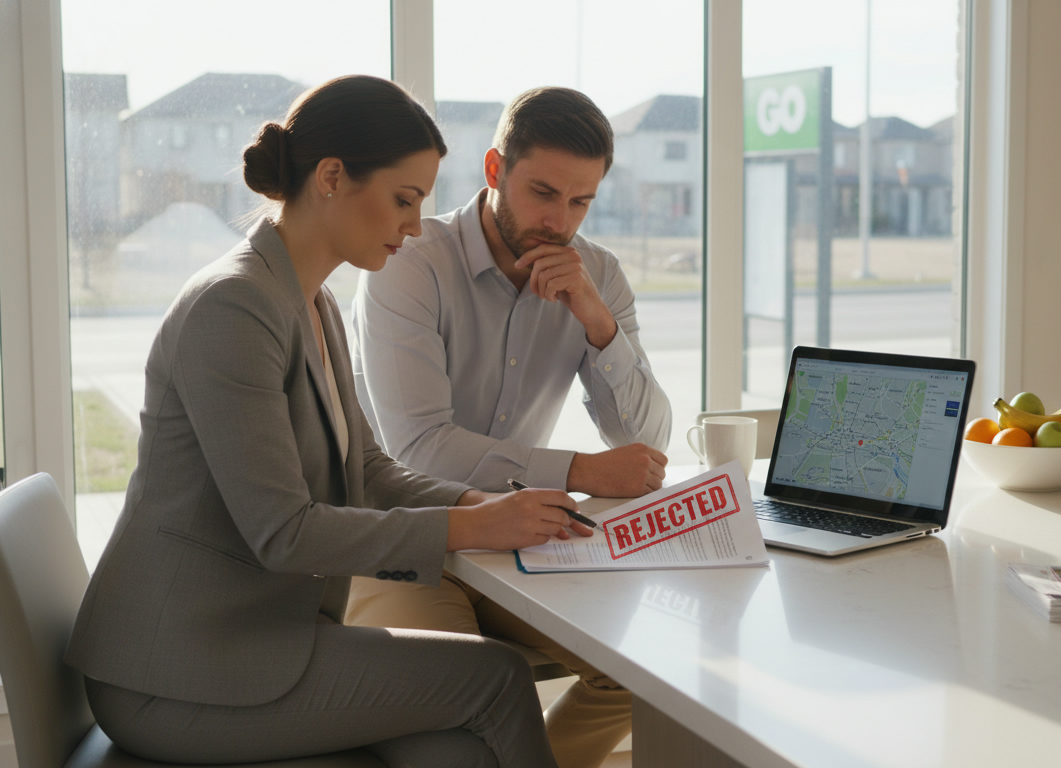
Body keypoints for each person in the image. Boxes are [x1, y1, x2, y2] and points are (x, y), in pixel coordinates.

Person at [64, 75, 590, 768]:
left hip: (253, 639)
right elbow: (282, 531)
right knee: (496, 678)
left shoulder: (314, 302)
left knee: (456, 745)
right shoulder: (235, 305)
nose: (413, 225)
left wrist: (481, 503)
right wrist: (469, 527)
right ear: (332, 178)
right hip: (177, 673)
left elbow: (366, 470)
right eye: (404, 200)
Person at [345, 87, 669, 768]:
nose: (559, 221)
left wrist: (599, 323)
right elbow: (420, 451)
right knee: (461, 722)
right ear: (495, 170)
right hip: (405, 546)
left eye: (580, 202)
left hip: (517, 547)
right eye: (543, 193)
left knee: (654, 672)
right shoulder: (409, 264)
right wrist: (577, 471)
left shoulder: (597, 275)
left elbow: (647, 441)